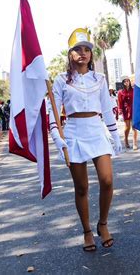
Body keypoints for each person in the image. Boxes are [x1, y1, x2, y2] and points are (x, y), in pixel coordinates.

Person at [48, 28, 123, 252]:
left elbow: (107, 110)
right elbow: (52, 111)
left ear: (91, 54)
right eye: (78, 50)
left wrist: (115, 133)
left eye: (86, 50)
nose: (83, 53)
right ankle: (87, 231)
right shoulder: (61, 80)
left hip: (96, 130)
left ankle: (102, 224)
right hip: (73, 132)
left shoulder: (100, 79)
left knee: (107, 180)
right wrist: (57, 137)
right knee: (81, 187)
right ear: (70, 54)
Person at [117, 76, 138, 150]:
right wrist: (120, 110)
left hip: (134, 109)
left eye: (127, 81)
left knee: (134, 127)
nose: (127, 83)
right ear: (123, 83)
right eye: (125, 81)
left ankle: (135, 143)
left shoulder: (134, 90)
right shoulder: (120, 92)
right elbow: (120, 102)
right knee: (127, 127)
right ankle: (126, 140)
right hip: (126, 110)